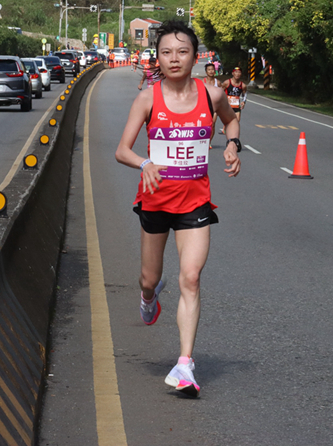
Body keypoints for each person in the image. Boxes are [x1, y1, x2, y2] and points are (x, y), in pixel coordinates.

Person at [115, 20, 242, 397]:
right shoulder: (148, 98)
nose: (174, 59)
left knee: (191, 278)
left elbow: (231, 122)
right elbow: (122, 150)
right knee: (149, 279)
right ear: (157, 58)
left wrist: (234, 146)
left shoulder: (211, 95)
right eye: (166, 52)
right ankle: (148, 297)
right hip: (155, 202)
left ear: (194, 56)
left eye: (182, 51)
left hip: (195, 203)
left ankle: (185, 364)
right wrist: (144, 164)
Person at [220, 66, 246, 134]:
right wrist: (224, 100)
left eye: (239, 72)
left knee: (237, 121)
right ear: (233, 73)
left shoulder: (243, 85)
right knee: (228, 119)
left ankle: (233, 133)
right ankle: (225, 127)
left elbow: (244, 94)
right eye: (236, 72)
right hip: (227, 105)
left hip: (236, 105)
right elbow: (220, 92)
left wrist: (243, 102)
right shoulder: (227, 82)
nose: (237, 74)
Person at [202, 62, 220, 149]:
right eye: (209, 70)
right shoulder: (202, 82)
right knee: (204, 124)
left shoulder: (218, 82)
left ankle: (209, 142)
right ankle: (202, 140)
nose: (211, 71)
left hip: (214, 107)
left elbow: (221, 94)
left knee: (212, 124)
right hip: (204, 106)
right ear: (206, 72)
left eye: (212, 69)